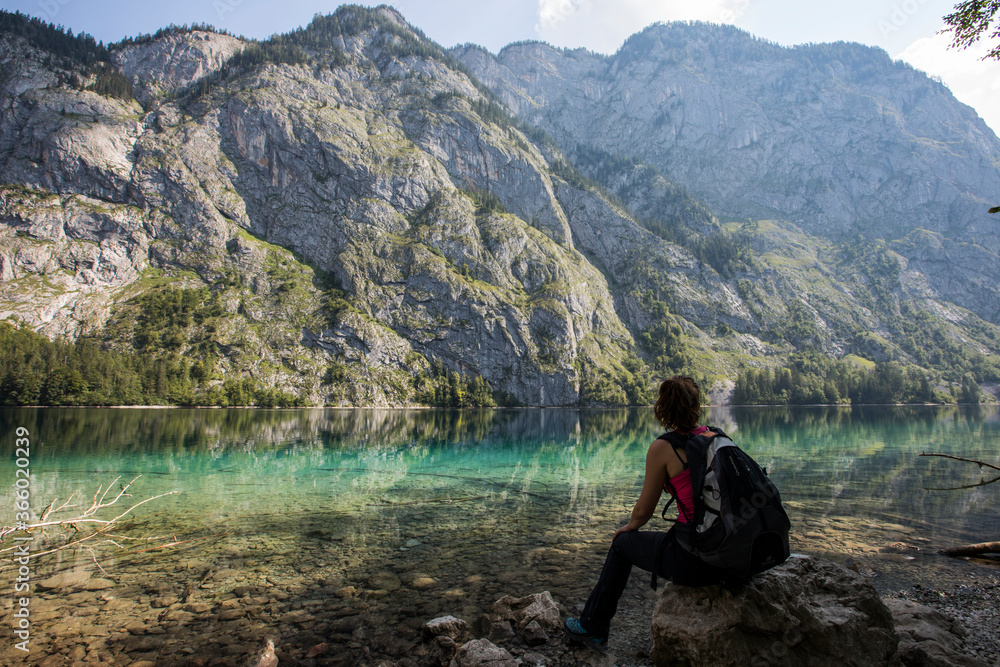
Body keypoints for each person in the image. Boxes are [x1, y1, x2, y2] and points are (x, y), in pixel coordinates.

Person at [563, 375, 726, 647]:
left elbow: (643, 511)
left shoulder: (664, 447)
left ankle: (592, 627)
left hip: (697, 562)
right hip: (729, 557)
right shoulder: (716, 437)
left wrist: (628, 528)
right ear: (697, 405)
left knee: (622, 545)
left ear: (661, 409)